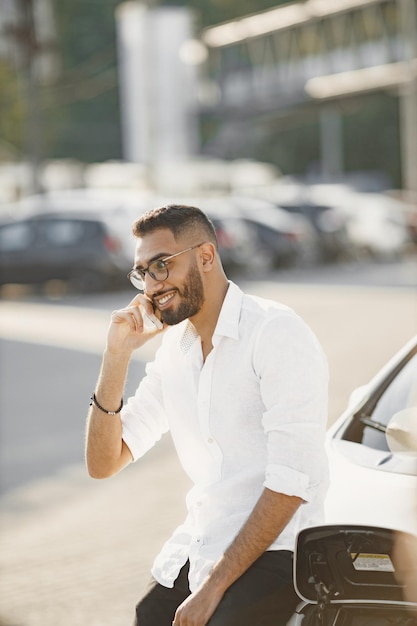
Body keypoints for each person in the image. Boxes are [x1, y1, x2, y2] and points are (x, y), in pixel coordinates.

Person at [85, 204, 329, 626]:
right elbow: (104, 462)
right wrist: (116, 355)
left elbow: (293, 481)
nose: (151, 285)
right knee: (149, 616)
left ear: (206, 256)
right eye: (142, 272)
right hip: (202, 545)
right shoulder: (174, 350)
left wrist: (214, 586)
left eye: (161, 265)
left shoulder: (275, 332)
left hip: (279, 553)